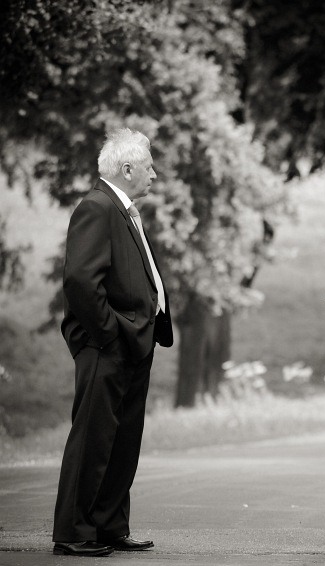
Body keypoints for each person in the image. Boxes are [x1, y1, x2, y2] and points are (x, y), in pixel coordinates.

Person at [53, 128, 173, 557]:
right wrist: (109, 334)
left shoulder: (122, 210)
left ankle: (108, 526)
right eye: (148, 167)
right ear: (126, 169)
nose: (154, 175)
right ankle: (73, 532)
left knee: (122, 439)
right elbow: (82, 281)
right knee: (93, 438)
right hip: (109, 344)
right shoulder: (97, 207)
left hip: (133, 342)